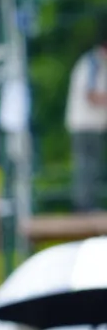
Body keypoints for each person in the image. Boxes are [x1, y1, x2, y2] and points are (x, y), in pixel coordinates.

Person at [65, 37, 107, 212]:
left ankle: (86, 205)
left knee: (89, 166)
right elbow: (91, 95)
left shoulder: (95, 63)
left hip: (89, 125)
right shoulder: (93, 64)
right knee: (86, 166)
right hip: (85, 124)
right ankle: (84, 207)